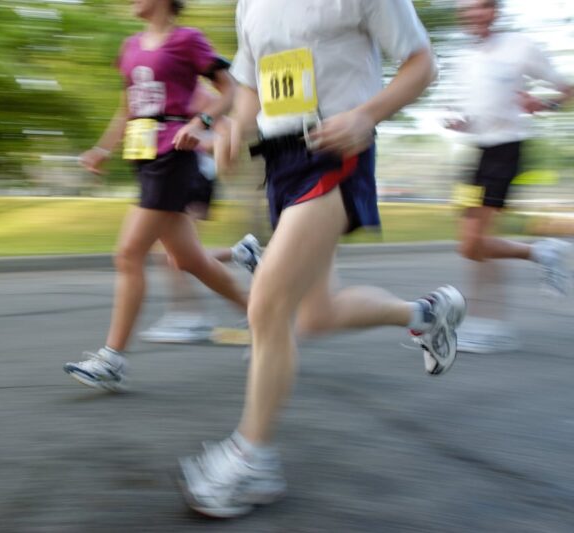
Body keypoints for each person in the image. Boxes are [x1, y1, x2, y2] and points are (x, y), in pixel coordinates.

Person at [178, 0, 466, 518]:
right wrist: (231, 131)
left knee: (267, 305)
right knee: (316, 312)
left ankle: (252, 459)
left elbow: (422, 63)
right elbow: (249, 85)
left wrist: (366, 115)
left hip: (338, 149)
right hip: (281, 162)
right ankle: (426, 314)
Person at [64, 0, 248, 391]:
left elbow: (229, 89)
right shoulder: (130, 46)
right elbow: (127, 108)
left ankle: (112, 358)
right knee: (191, 260)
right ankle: (267, 320)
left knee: (128, 253)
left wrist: (203, 122)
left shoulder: (188, 40)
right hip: (142, 155)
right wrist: (103, 148)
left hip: (174, 155)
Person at [446, 0, 574, 354]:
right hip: (476, 154)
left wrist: (543, 104)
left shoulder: (520, 46)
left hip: (506, 150)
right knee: (469, 246)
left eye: (481, 7)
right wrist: (458, 120)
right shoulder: (462, 58)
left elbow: (567, 90)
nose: (473, 14)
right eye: (467, 9)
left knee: (478, 239)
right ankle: (540, 253)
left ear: (495, 11)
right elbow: (467, 109)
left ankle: (489, 325)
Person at [140, 84, 262, 345]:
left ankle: (190, 317)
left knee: (174, 255)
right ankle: (240, 255)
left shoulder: (195, 90)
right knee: (177, 254)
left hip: (195, 174)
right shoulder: (163, 89)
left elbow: (225, 130)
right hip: (175, 174)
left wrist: (204, 144)